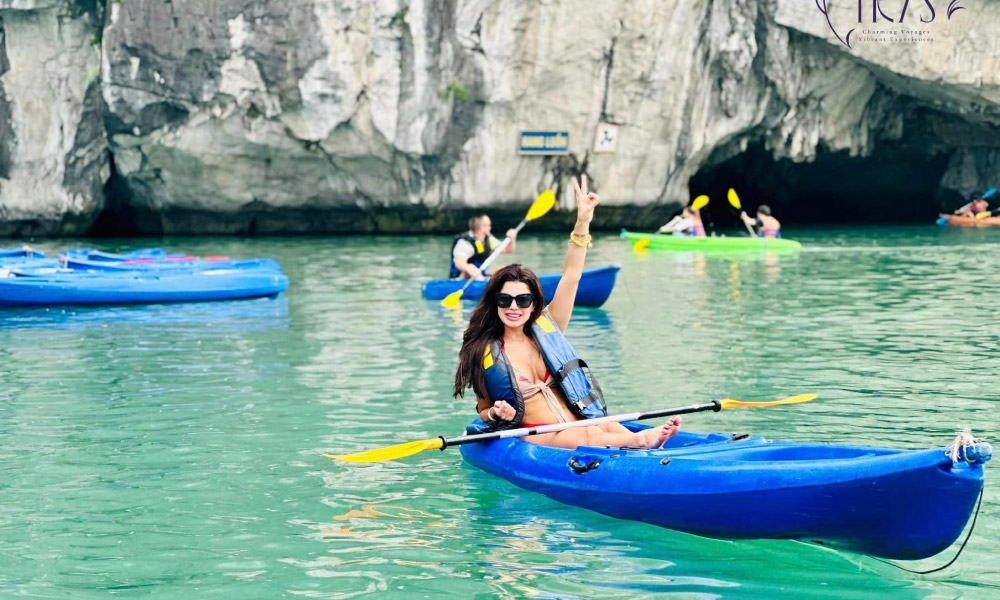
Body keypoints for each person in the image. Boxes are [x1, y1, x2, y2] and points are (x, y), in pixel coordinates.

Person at [453, 175, 682, 450]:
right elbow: (483, 410)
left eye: (523, 300)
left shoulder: (547, 329)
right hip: (540, 436)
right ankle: (642, 441)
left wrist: (582, 222)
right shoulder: (484, 351)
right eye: (505, 299)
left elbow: (571, 276)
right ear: (495, 302)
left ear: (533, 303)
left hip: (577, 423)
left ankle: (634, 442)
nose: (514, 307)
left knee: (605, 425)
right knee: (585, 436)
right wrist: (495, 414)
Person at [449, 214, 518, 280]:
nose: (490, 227)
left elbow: (508, 250)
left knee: (504, 270)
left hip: (480, 276)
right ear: (482, 227)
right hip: (462, 278)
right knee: (469, 271)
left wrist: (512, 239)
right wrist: (469, 268)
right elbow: (459, 263)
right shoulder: (465, 242)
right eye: (489, 225)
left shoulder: (489, 239)